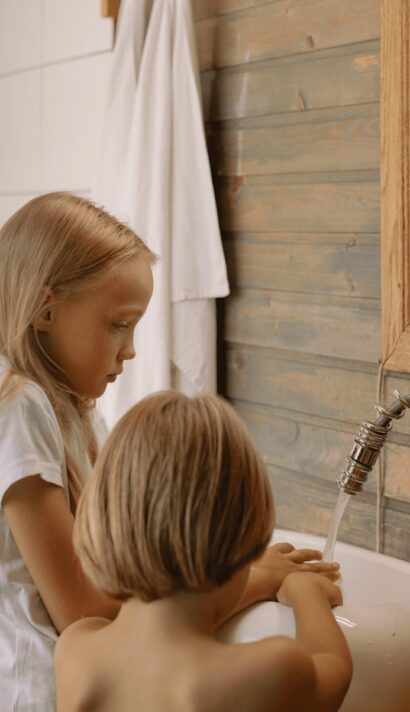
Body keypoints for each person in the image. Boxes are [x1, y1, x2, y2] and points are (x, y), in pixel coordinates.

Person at [55, 391, 352, 712]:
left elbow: (166, 634)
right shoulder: (269, 670)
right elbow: (333, 668)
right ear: (240, 544)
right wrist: (307, 593)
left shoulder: (76, 651)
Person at [0, 191, 156, 711]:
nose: (130, 349)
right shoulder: (19, 404)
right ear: (46, 309)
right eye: (119, 324)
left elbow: (125, 537)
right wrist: (235, 585)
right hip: (38, 691)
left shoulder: (74, 408)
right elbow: (80, 607)